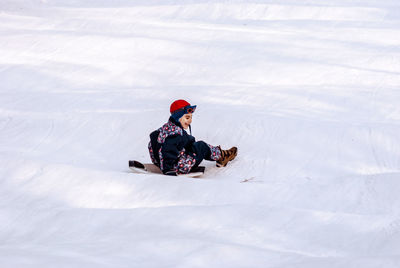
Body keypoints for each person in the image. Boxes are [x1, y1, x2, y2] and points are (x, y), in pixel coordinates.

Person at [148, 99, 237, 176]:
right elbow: (167, 150)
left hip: (162, 163)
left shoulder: (166, 129)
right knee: (202, 146)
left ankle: (218, 153)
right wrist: (168, 169)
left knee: (193, 144)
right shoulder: (176, 134)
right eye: (187, 117)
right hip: (179, 167)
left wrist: (157, 162)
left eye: (191, 117)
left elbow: (155, 144)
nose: (190, 120)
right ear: (177, 118)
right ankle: (222, 156)